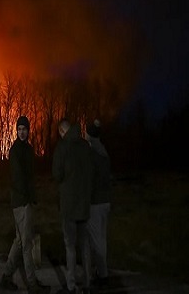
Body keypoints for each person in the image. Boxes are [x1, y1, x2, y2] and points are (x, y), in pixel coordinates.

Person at [0, 116, 50, 293]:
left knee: (20, 242)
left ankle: (6, 277)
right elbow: (19, 178)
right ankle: (32, 285)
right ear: (16, 131)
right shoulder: (15, 151)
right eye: (19, 129)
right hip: (22, 203)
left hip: (25, 201)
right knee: (27, 243)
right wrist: (28, 199)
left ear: (28, 131)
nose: (22, 132)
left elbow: (30, 176)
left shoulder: (28, 149)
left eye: (24, 129)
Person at [52, 118, 93, 294]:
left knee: (70, 246)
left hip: (69, 206)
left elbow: (56, 174)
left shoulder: (62, 147)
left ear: (62, 131)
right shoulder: (85, 146)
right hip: (84, 205)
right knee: (84, 245)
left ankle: (71, 285)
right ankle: (88, 282)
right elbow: (92, 172)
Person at [85, 119, 111, 288]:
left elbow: (88, 179)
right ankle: (100, 272)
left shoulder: (92, 153)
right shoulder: (104, 152)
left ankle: (103, 276)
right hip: (106, 202)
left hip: (95, 203)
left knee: (96, 242)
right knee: (101, 238)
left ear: (89, 134)